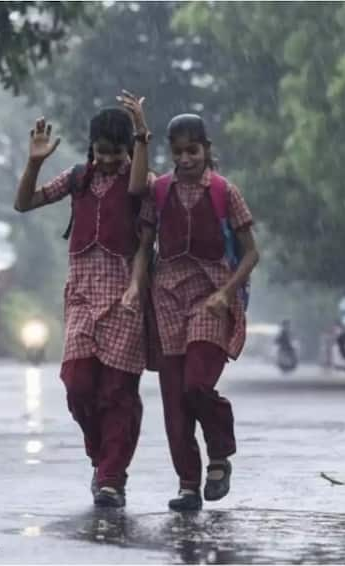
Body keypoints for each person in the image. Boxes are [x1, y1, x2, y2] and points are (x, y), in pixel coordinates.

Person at [121, 92, 260, 512]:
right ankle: (188, 484)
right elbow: (145, 244)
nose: (185, 159)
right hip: (166, 300)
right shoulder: (159, 191)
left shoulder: (224, 192)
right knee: (173, 399)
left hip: (212, 296)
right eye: (178, 152)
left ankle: (220, 452)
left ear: (207, 150)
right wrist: (134, 285)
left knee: (197, 385)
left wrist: (227, 291)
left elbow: (252, 252)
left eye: (193, 151)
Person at [13, 108, 152, 508]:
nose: (109, 160)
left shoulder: (141, 184)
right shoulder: (78, 179)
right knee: (77, 384)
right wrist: (34, 162)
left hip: (125, 297)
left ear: (129, 150)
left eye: (117, 152)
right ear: (92, 147)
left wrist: (135, 289)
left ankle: (111, 477)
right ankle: (101, 456)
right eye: (103, 151)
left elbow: (144, 241)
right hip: (81, 296)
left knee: (118, 393)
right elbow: (24, 203)